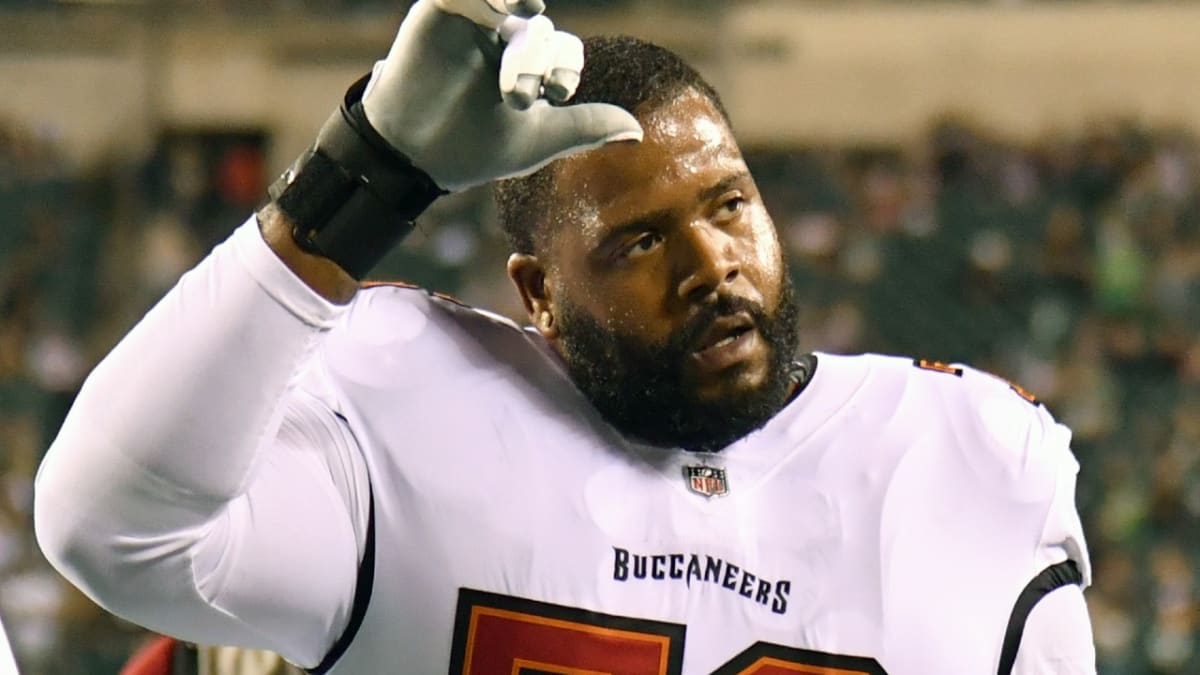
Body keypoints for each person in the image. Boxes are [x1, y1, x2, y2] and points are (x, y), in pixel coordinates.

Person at [33, 0, 1096, 672]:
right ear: (537, 293)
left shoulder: (972, 453)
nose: (710, 263)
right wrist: (371, 171)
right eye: (639, 241)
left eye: (729, 205)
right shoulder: (414, 412)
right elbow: (110, 524)